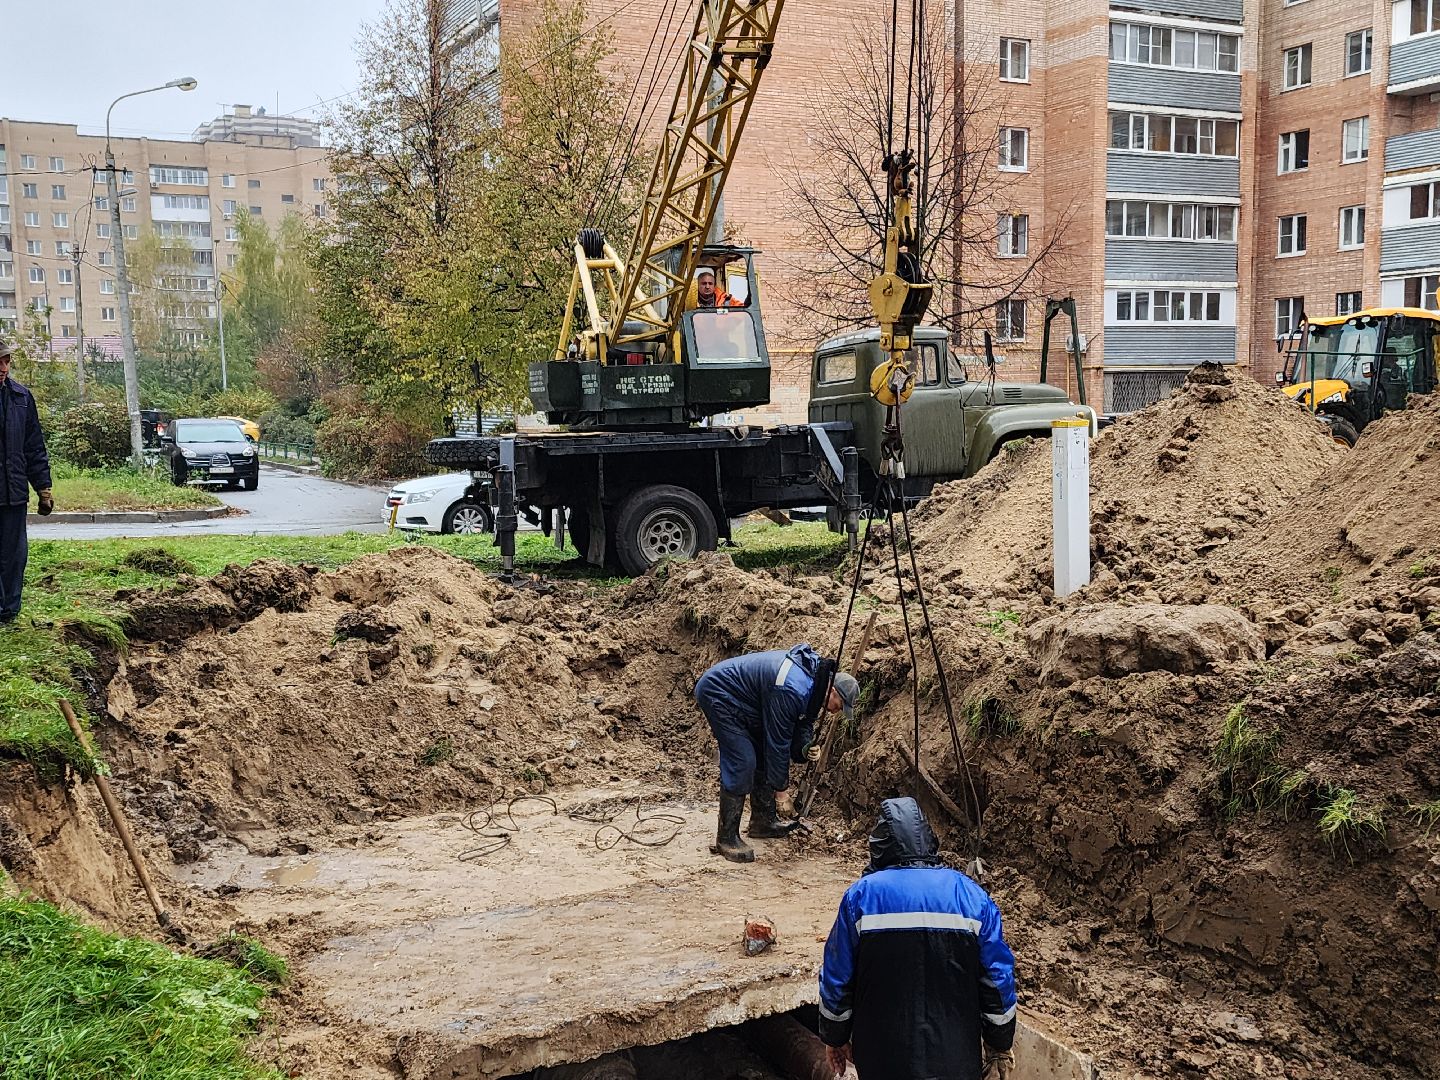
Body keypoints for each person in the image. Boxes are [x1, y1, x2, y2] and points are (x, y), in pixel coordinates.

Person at [818, 797, 1018, 1080]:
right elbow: (998, 979)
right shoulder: (971, 896)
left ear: (879, 846)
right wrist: (999, 1044)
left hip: (882, 1060)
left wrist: (835, 1037)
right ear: (927, 839)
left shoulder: (861, 898)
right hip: (956, 1061)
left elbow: (837, 978)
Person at [694, 644, 859, 863]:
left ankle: (762, 822)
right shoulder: (792, 688)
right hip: (720, 692)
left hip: (748, 702)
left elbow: (803, 721)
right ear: (833, 692)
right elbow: (778, 741)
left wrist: (804, 746)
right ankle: (726, 838)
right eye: (840, 705)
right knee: (743, 759)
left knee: (761, 752)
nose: (837, 711)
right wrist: (782, 793)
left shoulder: (814, 684)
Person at [0, 339, 53, 625]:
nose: (4, 368)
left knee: (14, 556)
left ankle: (9, 612)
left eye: (6, 361)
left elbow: (34, 447)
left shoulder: (21, 397)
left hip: (14, 492)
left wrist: (43, 488)